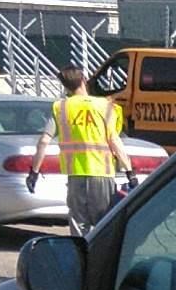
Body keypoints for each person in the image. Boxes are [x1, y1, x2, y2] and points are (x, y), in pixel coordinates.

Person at [28, 67, 130, 236]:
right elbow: (114, 140)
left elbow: (44, 141)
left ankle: (80, 258)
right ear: (84, 80)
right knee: (103, 223)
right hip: (101, 174)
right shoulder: (105, 106)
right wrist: (129, 171)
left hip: (75, 174)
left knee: (78, 223)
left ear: (65, 86)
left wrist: (34, 172)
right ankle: (100, 259)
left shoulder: (61, 108)